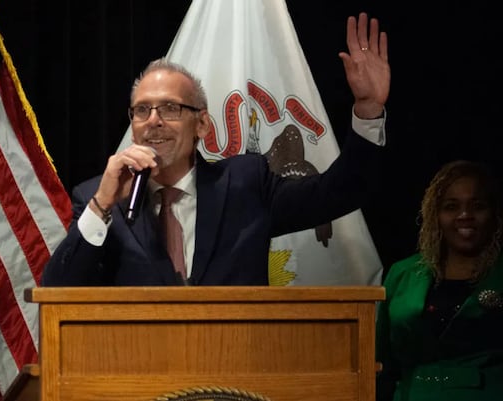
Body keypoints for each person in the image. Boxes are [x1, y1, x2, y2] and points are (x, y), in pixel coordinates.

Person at [42, 12, 390, 286]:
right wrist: (102, 205)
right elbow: (58, 292)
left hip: (234, 372)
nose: (154, 120)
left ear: (203, 125)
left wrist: (368, 109)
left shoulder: (245, 185)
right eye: (142, 110)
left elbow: (340, 193)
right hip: (144, 373)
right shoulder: (101, 199)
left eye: (171, 108)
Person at [375, 160, 503, 401]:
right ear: (435, 215)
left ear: (494, 213)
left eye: (478, 206)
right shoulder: (403, 273)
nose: (465, 215)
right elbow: (381, 361)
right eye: (451, 206)